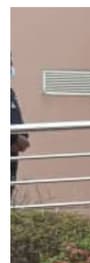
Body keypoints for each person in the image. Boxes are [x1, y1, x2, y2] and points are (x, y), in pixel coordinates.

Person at [10, 56, 30, 188]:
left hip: (11, 158)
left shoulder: (10, 93)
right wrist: (14, 139)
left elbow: (18, 122)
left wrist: (21, 138)